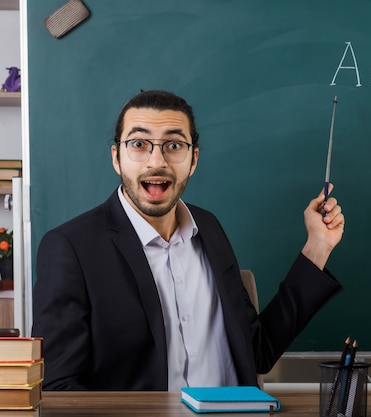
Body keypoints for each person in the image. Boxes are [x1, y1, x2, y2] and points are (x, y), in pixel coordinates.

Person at [32, 90, 345, 391]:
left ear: (193, 159)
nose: (156, 162)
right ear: (117, 157)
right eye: (139, 144)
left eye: (173, 145)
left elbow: (256, 350)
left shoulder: (208, 228)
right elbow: (58, 387)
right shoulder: (69, 248)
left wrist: (317, 247)